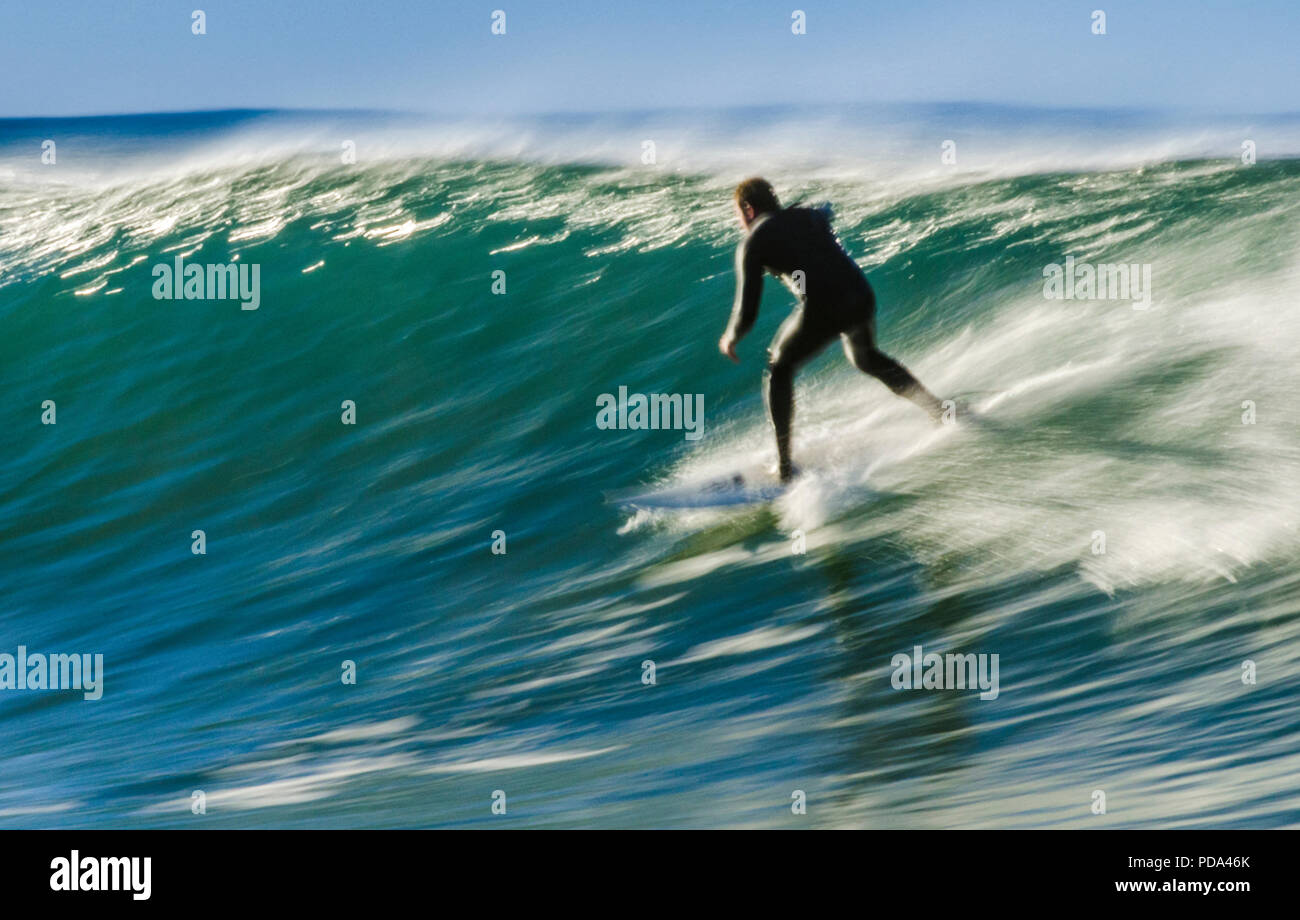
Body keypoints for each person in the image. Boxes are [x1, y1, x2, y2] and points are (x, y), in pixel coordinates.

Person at [719, 177, 945, 482]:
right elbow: (824, 213)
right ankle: (939, 411)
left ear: (748, 209)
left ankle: (785, 467)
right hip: (860, 293)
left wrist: (731, 338)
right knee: (866, 357)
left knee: (780, 367)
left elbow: (748, 312)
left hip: (824, 305)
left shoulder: (755, 241)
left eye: (738, 214)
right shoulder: (809, 215)